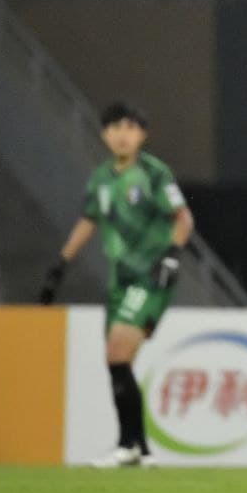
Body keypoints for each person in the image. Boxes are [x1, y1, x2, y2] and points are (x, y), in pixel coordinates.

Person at [40, 102, 193, 468]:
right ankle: (138, 447)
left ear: (143, 134)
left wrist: (172, 256)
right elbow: (88, 221)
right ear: (104, 134)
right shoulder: (101, 179)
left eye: (130, 127)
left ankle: (128, 445)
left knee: (117, 352)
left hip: (149, 276)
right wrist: (60, 264)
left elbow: (183, 217)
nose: (122, 135)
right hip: (119, 280)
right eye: (115, 127)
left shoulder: (153, 173)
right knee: (118, 361)